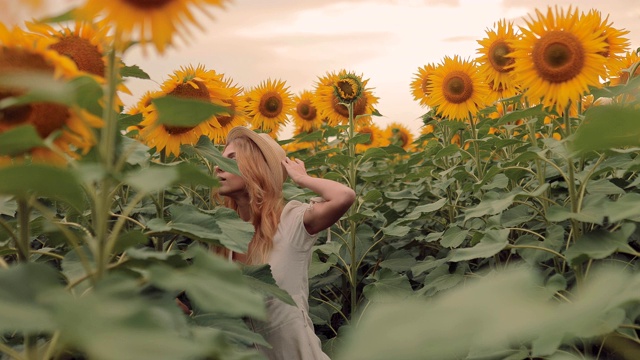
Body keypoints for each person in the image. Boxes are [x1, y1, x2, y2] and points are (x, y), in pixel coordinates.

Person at [214, 126, 356, 359]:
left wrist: (302, 178)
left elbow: (344, 196)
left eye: (232, 158)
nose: (218, 167)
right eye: (219, 160)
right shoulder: (223, 234)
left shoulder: (291, 221)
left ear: (257, 167)